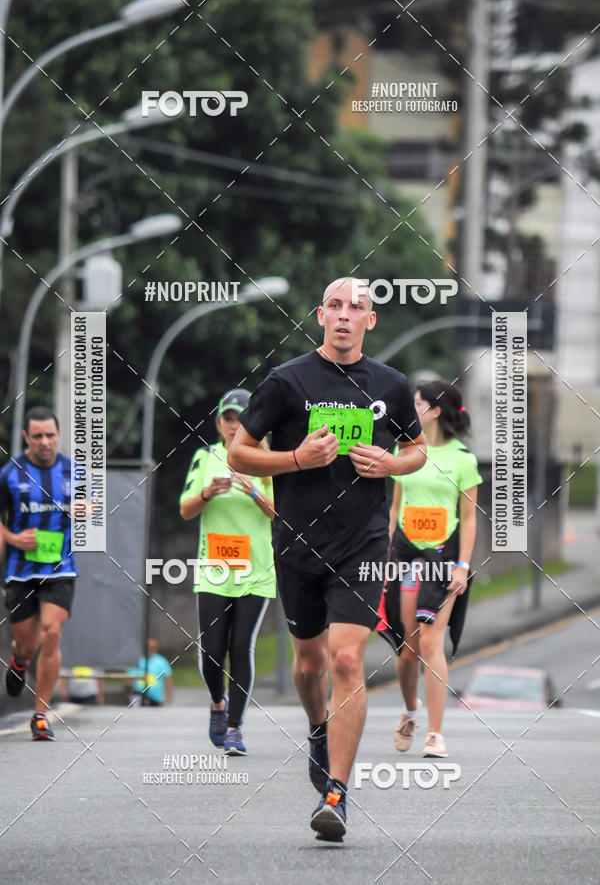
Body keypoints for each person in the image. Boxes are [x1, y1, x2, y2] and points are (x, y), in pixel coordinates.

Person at [228, 277, 426, 842]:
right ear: (320, 316)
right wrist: (296, 458)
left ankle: (336, 794)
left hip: (364, 543)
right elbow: (239, 454)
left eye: (356, 307)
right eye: (335, 306)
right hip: (297, 544)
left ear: (370, 320)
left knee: (345, 660)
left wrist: (392, 465)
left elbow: (417, 449)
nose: (344, 315)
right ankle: (319, 725)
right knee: (310, 664)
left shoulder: (391, 384)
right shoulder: (287, 381)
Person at [378, 380, 482, 759]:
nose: (412, 407)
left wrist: (462, 567)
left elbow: (469, 519)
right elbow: (395, 509)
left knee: (430, 642)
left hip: (443, 558)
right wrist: (384, 556)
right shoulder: (405, 450)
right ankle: (410, 711)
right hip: (406, 555)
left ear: (435, 411)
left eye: (418, 403)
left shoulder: (463, 459)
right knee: (408, 649)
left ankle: (435, 734)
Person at [180, 388, 276, 755]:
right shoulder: (205, 457)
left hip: (256, 571)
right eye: (229, 418)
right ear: (219, 422)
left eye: (242, 418)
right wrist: (207, 493)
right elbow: (185, 510)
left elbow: (279, 512)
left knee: (240, 647)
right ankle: (217, 703)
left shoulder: (268, 460)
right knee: (212, 652)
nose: (235, 426)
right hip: (215, 569)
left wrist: (253, 491)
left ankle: (235, 728)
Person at [0, 406, 78, 740]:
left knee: (51, 632)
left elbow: (95, 513)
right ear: (26, 437)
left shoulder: (75, 472)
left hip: (60, 568)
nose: (44, 442)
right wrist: (13, 538)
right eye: (37, 436)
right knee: (26, 645)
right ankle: (19, 662)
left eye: (49, 435)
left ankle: (41, 715)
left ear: (58, 435)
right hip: (20, 571)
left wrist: (87, 510)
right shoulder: (9, 473)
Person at [128, 638, 173, 706]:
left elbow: (167, 679)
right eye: (148, 647)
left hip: (156, 698)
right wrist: (131, 693)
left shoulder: (161, 661)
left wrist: (168, 697)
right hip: (139, 696)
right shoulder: (137, 660)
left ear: (156, 648)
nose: (150, 649)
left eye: (152, 647)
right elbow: (129, 678)